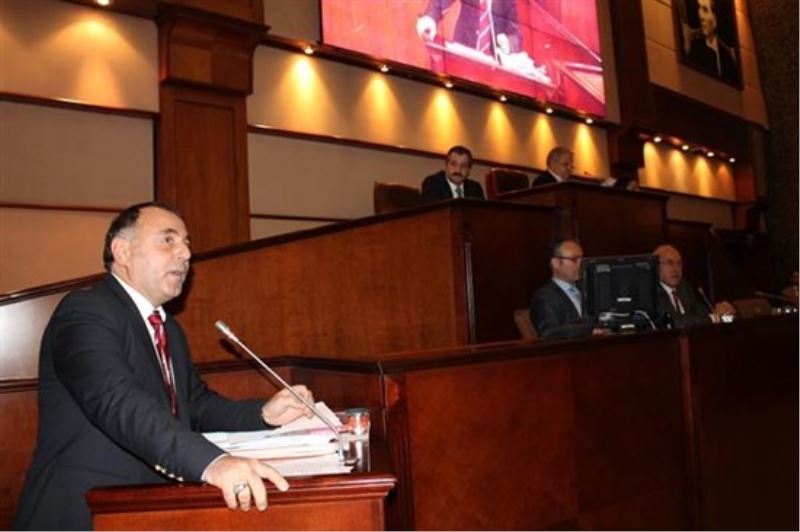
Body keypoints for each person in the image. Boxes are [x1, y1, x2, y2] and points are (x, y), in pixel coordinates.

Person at [15, 202, 316, 530]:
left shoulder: (168, 327)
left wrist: (263, 414)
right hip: (83, 513)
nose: (185, 254)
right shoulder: (85, 311)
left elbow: (195, 405)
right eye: (168, 240)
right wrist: (212, 463)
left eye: (186, 243)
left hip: (148, 510)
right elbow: (116, 401)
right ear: (123, 251)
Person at [529, 239, 605, 339]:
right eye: (574, 259)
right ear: (556, 263)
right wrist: (589, 330)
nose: (581, 265)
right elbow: (549, 332)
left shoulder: (587, 290)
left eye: (582, 260)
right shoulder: (545, 297)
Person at [653, 244, 735, 328]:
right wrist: (714, 317)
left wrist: (724, 314)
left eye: (679, 263)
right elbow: (675, 322)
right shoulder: (652, 293)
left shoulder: (683, 288)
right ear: (656, 266)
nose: (675, 269)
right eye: (670, 263)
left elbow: (703, 313)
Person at [416, 0, 522, 58]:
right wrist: (430, 18)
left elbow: (516, 34)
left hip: (492, 67)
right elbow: (440, 2)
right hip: (463, 56)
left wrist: (508, 44)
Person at [686, 0, 738, 83]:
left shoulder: (727, 58)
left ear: (715, 18)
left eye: (705, 10)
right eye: (699, 8)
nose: (701, 16)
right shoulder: (695, 49)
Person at [421, 145, 486, 202]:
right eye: (454, 164)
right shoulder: (432, 184)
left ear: (469, 170)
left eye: (464, 166)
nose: (458, 170)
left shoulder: (475, 188)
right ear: (446, 165)